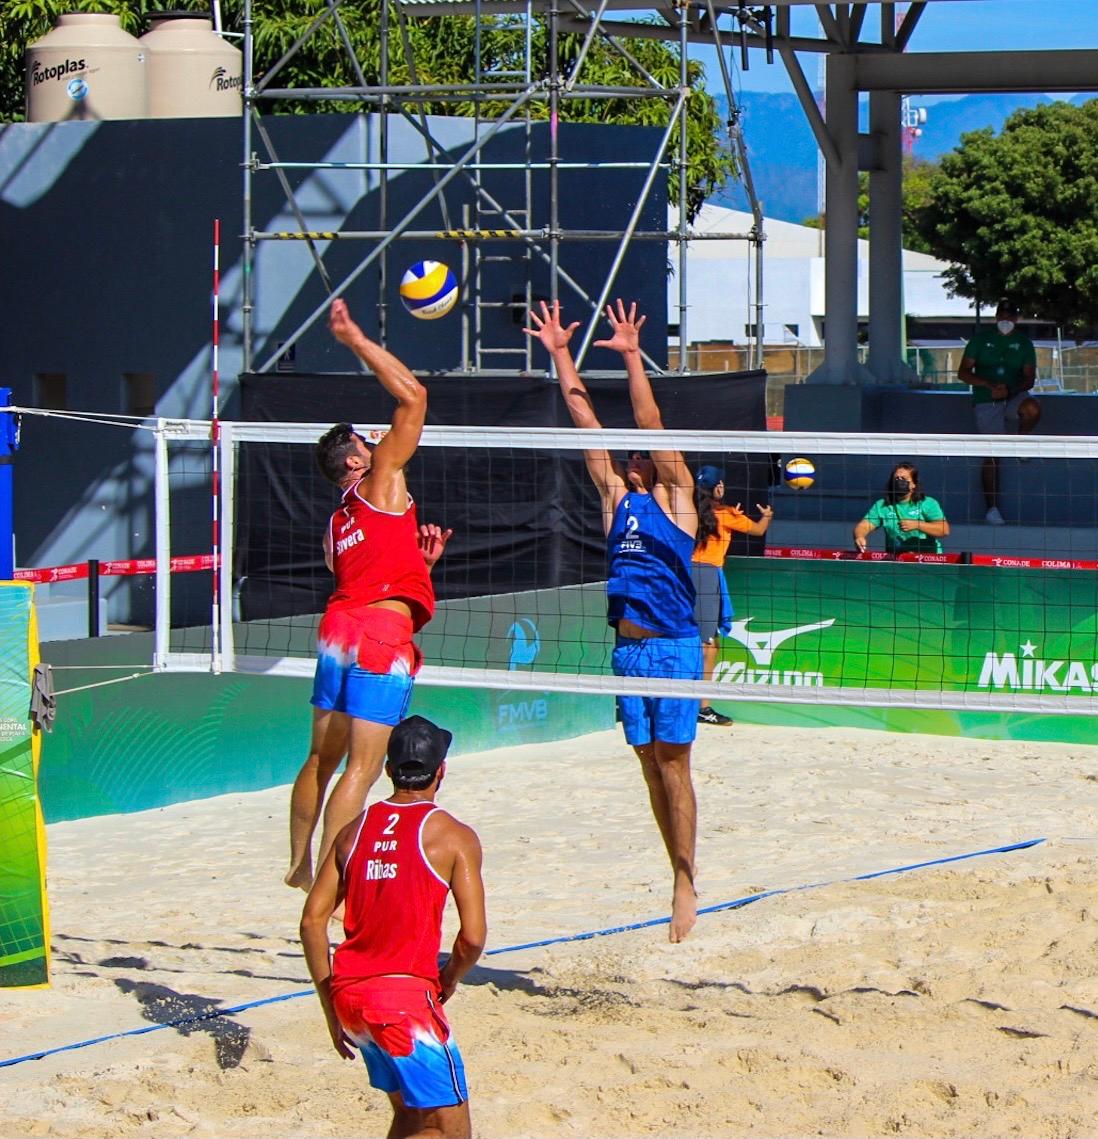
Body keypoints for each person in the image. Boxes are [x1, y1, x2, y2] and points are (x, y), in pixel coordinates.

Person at [525, 298, 701, 943]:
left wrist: (631, 356)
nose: (632, 457)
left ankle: (685, 878)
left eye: (640, 455)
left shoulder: (678, 499)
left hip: (676, 649)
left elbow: (649, 420)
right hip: (628, 652)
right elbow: (584, 422)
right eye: (627, 455)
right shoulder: (614, 500)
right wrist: (560, 353)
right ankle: (673, 864)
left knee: (675, 764)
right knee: (650, 764)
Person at [286, 298, 452, 893]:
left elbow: (367, 573)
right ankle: (337, 889)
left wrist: (420, 564)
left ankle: (300, 863)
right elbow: (414, 397)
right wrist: (356, 338)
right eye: (366, 440)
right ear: (357, 458)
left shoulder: (337, 522)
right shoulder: (381, 477)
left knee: (319, 761)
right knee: (362, 768)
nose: (376, 439)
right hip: (380, 636)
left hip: (339, 629)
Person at [301, 715, 486, 1139]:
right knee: (448, 1127)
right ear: (441, 770)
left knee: (409, 1116)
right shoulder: (454, 836)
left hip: (351, 998)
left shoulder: (353, 831)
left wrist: (331, 1004)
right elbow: (472, 937)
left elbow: (312, 921)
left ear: (388, 771)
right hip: (403, 1003)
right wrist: (450, 978)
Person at [691, 465, 773, 727]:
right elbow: (759, 531)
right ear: (719, 488)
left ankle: (679, 699)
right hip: (706, 576)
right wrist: (767, 516)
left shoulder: (687, 512)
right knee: (708, 646)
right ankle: (702, 707)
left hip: (682, 574)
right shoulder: (725, 515)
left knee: (685, 639)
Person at [958, 298, 1040, 525]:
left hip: (1014, 397)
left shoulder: (1024, 343)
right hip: (987, 401)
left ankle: (1021, 443)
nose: (1006, 319)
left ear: (1016, 318)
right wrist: (988, 385)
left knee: (1032, 408)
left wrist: (1009, 390)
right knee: (992, 454)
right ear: (996, 317)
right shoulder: (980, 340)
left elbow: (1029, 378)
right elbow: (963, 372)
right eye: (1001, 315)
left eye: (1010, 315)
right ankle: (991, 509)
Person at [853, 462, 950, 557]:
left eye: (904, 479)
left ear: (913, 484)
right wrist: (859, 536)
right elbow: (864, 525)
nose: (899, 481)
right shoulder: (882, 505)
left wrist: (917, 525)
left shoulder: (927, 503)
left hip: (927, 559)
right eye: (896, 479)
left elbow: (944, 530)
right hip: (896, 560)